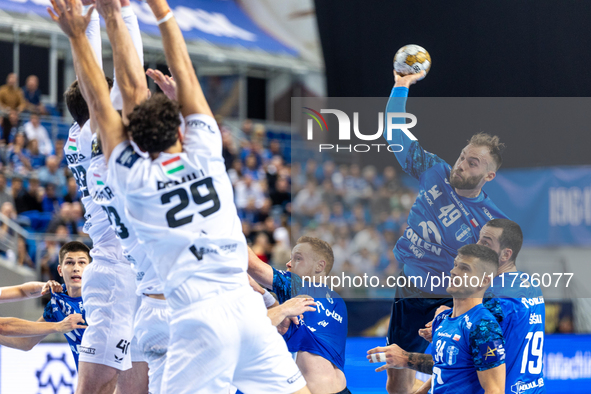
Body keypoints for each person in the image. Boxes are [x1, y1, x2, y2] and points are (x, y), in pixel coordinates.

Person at [48, 0, 310, 391]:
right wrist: (156, 11)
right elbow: (168, 79)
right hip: (242, 308)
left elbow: (104, 100)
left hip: (181, 313)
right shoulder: (207, 155)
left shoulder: (124, 176)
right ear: (182, 130)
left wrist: (81, 34)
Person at [382, 70, 509, 394]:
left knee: (452, 373)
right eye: (463, 156)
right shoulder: (434, 170)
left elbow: (497, 274)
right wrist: (401, 84)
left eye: (473, 163)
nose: (462, 164)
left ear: (489, 176)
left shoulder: (491, 221)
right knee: (396, 370)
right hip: (409, 291)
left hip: (451, 300)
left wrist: (457, 309)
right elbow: (394, 132)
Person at [51, 2, 145, 393]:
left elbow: (93, 77)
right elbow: (127, 79)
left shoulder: (78, 135)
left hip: (132, 273)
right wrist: (121, 14)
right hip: (114, 273)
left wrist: (87, 24)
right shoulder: (93, 132)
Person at [419, 219, 546, 394]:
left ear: (505, 255)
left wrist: (443, 321)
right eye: (478, 239)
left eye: (486, 242)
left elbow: (460, 358)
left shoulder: (494, 296)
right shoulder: (530, 284)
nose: (477, 245)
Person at [368, 244, 506, 394]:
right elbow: (444, 370)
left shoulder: (483, 326)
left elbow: (495, 390)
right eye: (455, 265)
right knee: (394, 387)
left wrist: (406, 358)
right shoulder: (442, 318)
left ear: (484, 281)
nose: (454, 272)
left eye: (464, 268)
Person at [247, 237, 350, 394]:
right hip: (342, 389)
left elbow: (253, 266)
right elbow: (294, 323)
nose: (289, 264)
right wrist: (263, 293)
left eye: (298, 258)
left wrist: (229, 225)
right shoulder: (338, 302)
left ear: (319, 266)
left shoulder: (298, 285)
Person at [0, 241, 88, 366]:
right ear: (60, 270)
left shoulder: (103, 299)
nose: (76, 268)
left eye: (82, 262)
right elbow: (24, 342)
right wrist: (57, 326)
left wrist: (44, 286)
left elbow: (21, 291)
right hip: (91, 381)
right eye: (69, 262)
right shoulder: (58, 303)